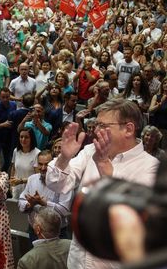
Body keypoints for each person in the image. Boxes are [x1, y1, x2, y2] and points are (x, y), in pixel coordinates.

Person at [46, 98, 159, 268]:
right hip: (78, 262)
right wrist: (64, 158)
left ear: (128, 129)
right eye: (96, 124)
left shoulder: (151, 167)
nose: (96, 130)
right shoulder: (90, 150)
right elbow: (57, 185)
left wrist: (105, 167)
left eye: (103, 126)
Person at [18, 150, 73, 242]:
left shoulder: (64, 182)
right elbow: (20, 202)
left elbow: (64, 210)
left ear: (54, 165)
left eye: (47, 164)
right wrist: (30, 205)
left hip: (57, 234)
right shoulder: (32, 179)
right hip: (35, 232)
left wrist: (44, 203)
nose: (43, 168)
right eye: (40, 164)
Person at [0, 88, 16, 172]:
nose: (5, 99)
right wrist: (3, 125)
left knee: (8, 160)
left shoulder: (13, 105)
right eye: (3, 97)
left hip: (8, 137)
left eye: (7, 97)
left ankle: (3, 175)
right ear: (0, 97)